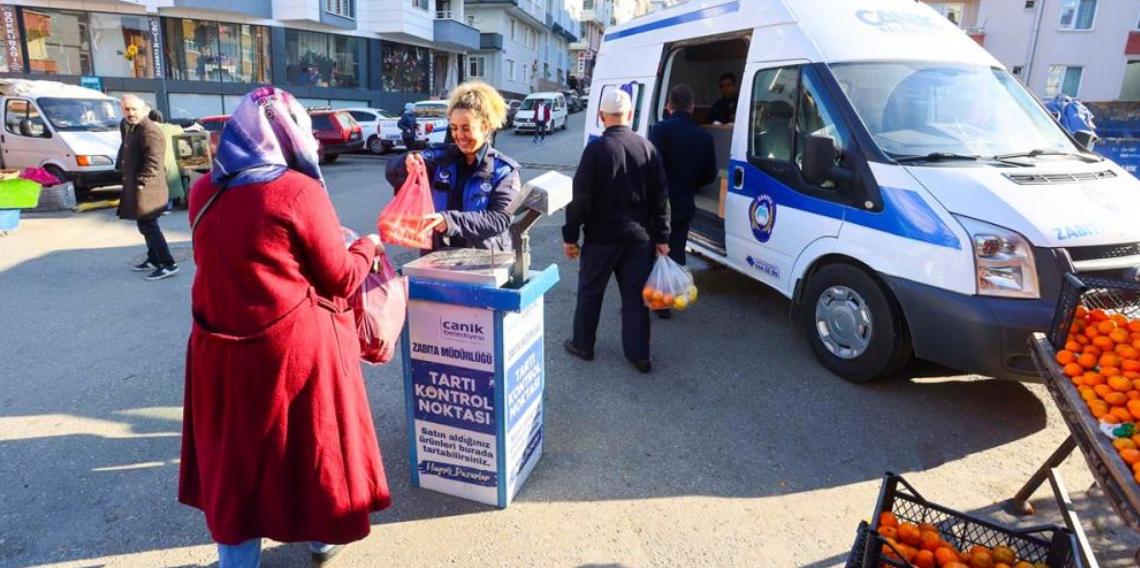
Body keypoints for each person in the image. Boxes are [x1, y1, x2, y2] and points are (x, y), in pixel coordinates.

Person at [179, 86, 391, 568]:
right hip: (289, 350)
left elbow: (229, 258)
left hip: (216, 349)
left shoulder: (202, 190)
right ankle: (320, 537)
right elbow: (339, 277)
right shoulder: (297, 190)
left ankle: (238, 559)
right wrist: (367, 248)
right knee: (305, 447)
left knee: (235, 458)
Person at [562, 89, 670, 374]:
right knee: (635, 297)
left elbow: (580, 199)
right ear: (631, 115)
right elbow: (661, 199)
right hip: (639, 240)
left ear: (601, 116)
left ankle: (583, 345)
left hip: (601, 239)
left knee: (590, 292)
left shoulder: (596, 150)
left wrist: (570, 236)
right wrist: (663, 238)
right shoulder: (648, 148)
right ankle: (640, 356)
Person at [385, 81, 519, 252]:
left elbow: (500, 219)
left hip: (484, 261)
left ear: (486, 127)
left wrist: (450, 221)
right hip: (436, 256)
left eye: (466, 128)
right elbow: (392, 174)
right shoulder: (438, 158)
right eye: (454, 128)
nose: (459, 136)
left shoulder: (503, 170)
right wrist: (405, 162)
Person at [648, 84, 717, 319]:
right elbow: (709, 175)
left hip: (659, 204)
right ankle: (668, 301)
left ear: (669, 106)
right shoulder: (704, 137)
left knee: (651, 251)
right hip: (685, 202)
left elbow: (650, 168)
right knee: (676, 251)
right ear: (692, 107)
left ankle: (649, 297)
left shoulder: (660, 130)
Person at [118, 95, 177, 281]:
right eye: (127, 109)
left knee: (149, 226)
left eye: (134, 109)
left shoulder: (149, 129)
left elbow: (154, 162)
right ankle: (153, 259)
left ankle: (168, 263)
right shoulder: (133, 128)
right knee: (145, 225)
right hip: (142, 188)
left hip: (148, 189)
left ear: (144, 109)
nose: (130, 113)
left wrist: (141, 181)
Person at [148, 109, 187, 211]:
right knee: (170, 183)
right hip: (169, 160)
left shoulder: (146, 127)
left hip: (151, 160)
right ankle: (168, 205)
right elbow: (180, 130)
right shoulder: (169, 128)